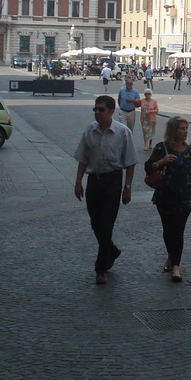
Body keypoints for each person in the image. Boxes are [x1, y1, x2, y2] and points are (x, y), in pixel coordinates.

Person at [73, 95, 138, 285]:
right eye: (95, 109)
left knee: (106, 224)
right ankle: (112, 250)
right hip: (94, 181)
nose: (97, 113)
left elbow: (131, 162)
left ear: (111, 111)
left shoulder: (122, 132)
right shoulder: (90, 131)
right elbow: (83, 159)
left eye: (101, 109)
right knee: (95, 223)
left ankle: (101, 268)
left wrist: (127, 187)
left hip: (113, 181)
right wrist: (78, 183)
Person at [144, 116, 191, 283]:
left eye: (186, 128)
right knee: (168, 230)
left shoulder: (190, 149)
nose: (185, 131)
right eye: (182, 128)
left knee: (178, 231)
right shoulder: (162, 148)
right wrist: (162, 161)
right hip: (165, 195)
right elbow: (148, 168)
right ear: (173, 131)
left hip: (185, 195)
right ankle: (171, 254)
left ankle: (176, 266)